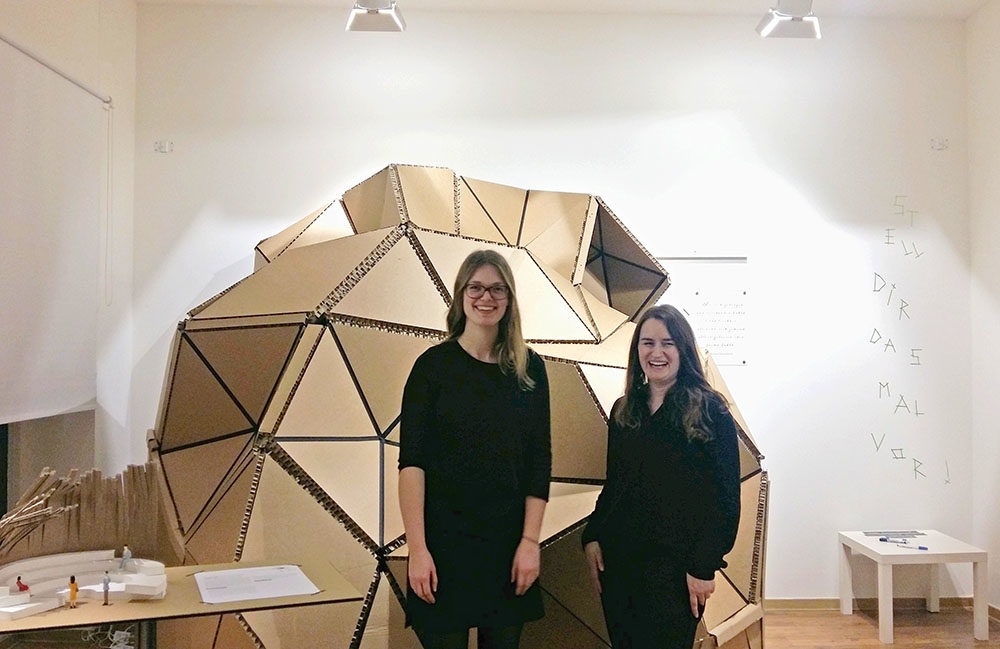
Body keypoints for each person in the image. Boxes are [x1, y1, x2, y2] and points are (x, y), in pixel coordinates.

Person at [399, 249, 552, 649]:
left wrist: (530, 542)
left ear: (509, 298)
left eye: (497, 289)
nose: (487, 297)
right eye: (477, 288)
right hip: (442, 545)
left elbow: (539, 463)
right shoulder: (431, 368)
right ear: (461, 294)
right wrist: (417, 549)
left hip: (507, 546)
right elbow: (412, 464)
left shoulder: (530, 369)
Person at [582, 305, 741, 649]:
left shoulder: (711, 411)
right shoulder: (624, 409)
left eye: (668, 343)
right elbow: (616, 485)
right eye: (648, 343)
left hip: (676, 571)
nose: (657, 353)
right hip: (620, 564)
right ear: (637, 349)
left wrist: (703, 567)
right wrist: (592, 535)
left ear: (683, 349)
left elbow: (726, 500)